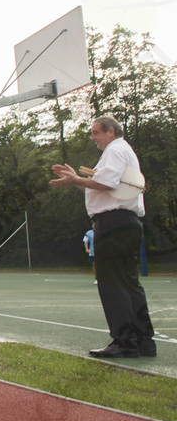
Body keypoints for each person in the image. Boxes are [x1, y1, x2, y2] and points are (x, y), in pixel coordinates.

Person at [50, 115, 156, 359]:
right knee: (129, 283)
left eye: (95, 132)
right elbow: (103, 186)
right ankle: (143, 341)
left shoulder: (115, 150)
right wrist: (76, 180)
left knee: (112, 283)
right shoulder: (122, 151)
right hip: (126, 222)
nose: (92, 138)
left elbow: (106, 183)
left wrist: (75, 180)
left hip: (114, 224)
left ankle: (124, 341)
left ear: (111, 131)